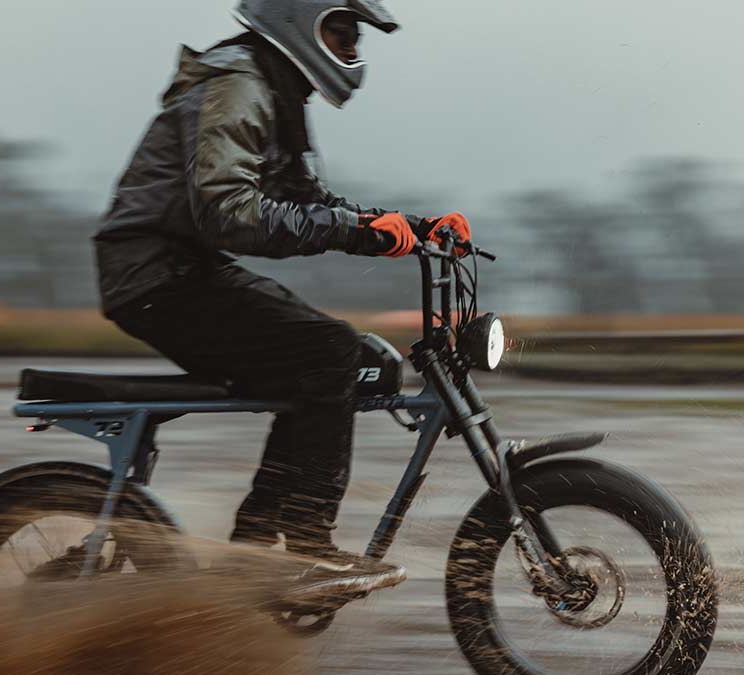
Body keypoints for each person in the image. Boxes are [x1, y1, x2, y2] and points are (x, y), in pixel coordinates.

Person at [94, 0, 471, 584]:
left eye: (353, 39)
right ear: (301, 23)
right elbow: (230, 212)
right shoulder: (237, 83)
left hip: (183, 268)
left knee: (346, 357)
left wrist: (414, 229)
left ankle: (256, 548)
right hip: (154, 275)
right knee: (328, 353)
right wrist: (353, 230)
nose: (351, 52)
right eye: (342, 34)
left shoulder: (275, 87)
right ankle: (301, 542)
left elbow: (310, 205)